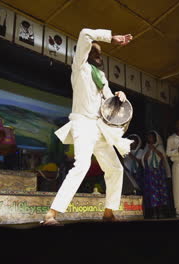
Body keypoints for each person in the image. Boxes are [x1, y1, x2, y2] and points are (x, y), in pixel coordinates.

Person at [42, 28, 133, 225]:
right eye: (94, 51)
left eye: (100, 52)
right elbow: (84, 33)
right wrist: (111, 37)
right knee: (81, 165)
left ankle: (108, 213)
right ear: (85, 53)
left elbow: (109, 101)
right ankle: (51, 214)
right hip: (82, 123)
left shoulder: (101, 78)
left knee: (115, 169)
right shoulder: (79, 68)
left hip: (99, 128)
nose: (98, 55)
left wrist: (119, 96)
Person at [142, 130, 171, 218]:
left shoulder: (160, 146)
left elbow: (163, 157)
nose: (150, 138)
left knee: (160, 191)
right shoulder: (146, 147)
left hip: (159, 172)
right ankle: (154, 212)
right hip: (151, 173)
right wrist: (149, 150)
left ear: (155, 138)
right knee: (153, 192)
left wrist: (154, 149)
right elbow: (145, 159)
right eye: (149, 137)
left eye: (151, 137)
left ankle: (161, 211)